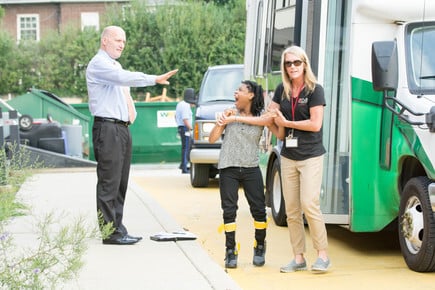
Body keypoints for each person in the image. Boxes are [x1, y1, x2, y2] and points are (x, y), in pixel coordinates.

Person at [86, 25, 178, 245]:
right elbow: (124, 78)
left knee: (120, 182)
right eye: (117, 40)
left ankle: (118, 228)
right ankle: (110, 232)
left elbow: (123, 90)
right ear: (104, 41)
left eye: (124, 41)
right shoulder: (99, 64)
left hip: (120, 128)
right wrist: (154, 79)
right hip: (107, 129)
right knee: (109, 182)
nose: (121, 45)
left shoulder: (114, 64)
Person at [268, 45, 331, 272]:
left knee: (309, 203)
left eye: (296, 62)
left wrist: (287, 123)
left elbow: (315, 124)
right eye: (288, 63)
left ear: (304, 64)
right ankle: (298, 258)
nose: (292, 67)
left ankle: (322, 255)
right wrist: (271, 120)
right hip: (288, 155)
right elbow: (273, 117)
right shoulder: (281, 90)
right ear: (284, 67)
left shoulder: (315, 90)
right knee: (292, 209)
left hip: (311, 155)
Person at [209, 80, 277, 269]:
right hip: (228, 167)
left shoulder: (261, 116)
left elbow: (278, 132)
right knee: (229, 211)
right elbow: (213, 138)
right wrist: (221, 121)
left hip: (250, 167)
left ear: (251, 95)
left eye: (240, 90)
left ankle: (260, 245)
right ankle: (230, 250)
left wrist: (279, 118)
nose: (235, 92)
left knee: (259, 210)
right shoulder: (230, 112)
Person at [175, 98, 194, 174]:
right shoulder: (186, 105)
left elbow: (175, 116)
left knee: (185, 147)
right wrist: (191, 129)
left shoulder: (180, 104)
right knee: (186, 147)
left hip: (181, 127)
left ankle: (182, 165)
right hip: (185, 128)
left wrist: (179, 125)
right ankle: (184, 168)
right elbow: (185, 119)